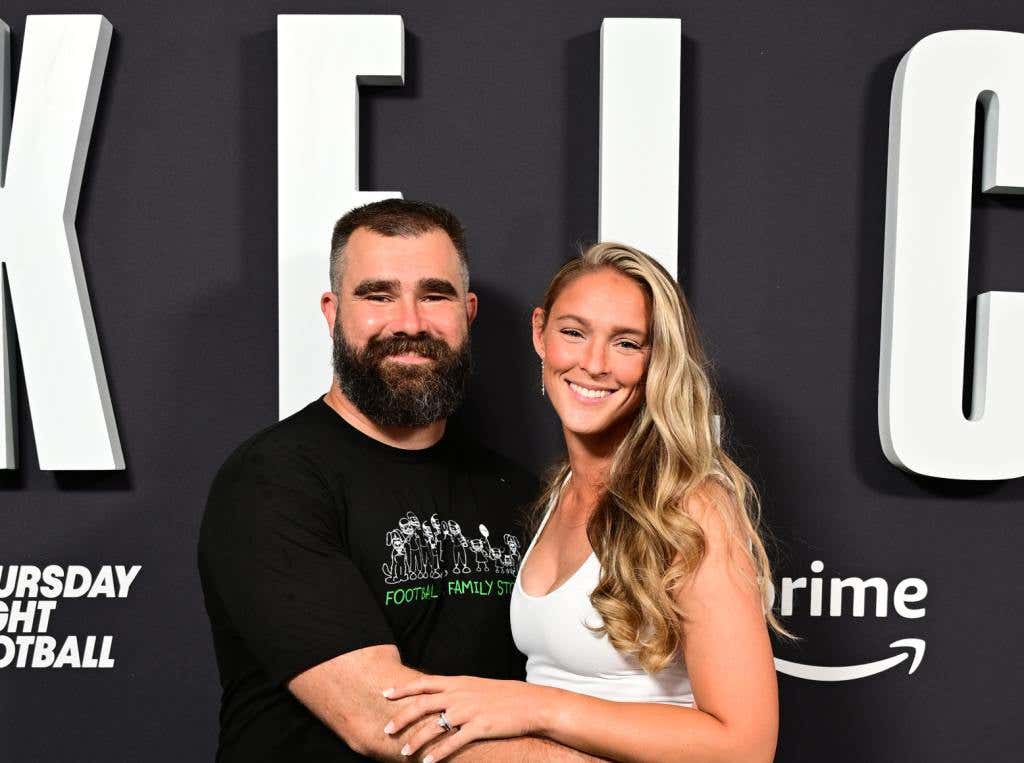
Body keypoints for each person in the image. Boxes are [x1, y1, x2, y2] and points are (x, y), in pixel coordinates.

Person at [197, 199, 600, 762]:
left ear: (469, 312)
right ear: (332, 312)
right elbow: (386, 718)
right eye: (378, 295)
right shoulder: (271, 482)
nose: (409, 323)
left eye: (434, 295)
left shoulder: (518, 490)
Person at [381, 243, 785, 762]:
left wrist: (539, 707)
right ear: (540, 334)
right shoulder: (558, 495)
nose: (593, 364)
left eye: (626, 343)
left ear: (657, 359)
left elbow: (745, 747)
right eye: (574, 332)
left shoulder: (691, 507)